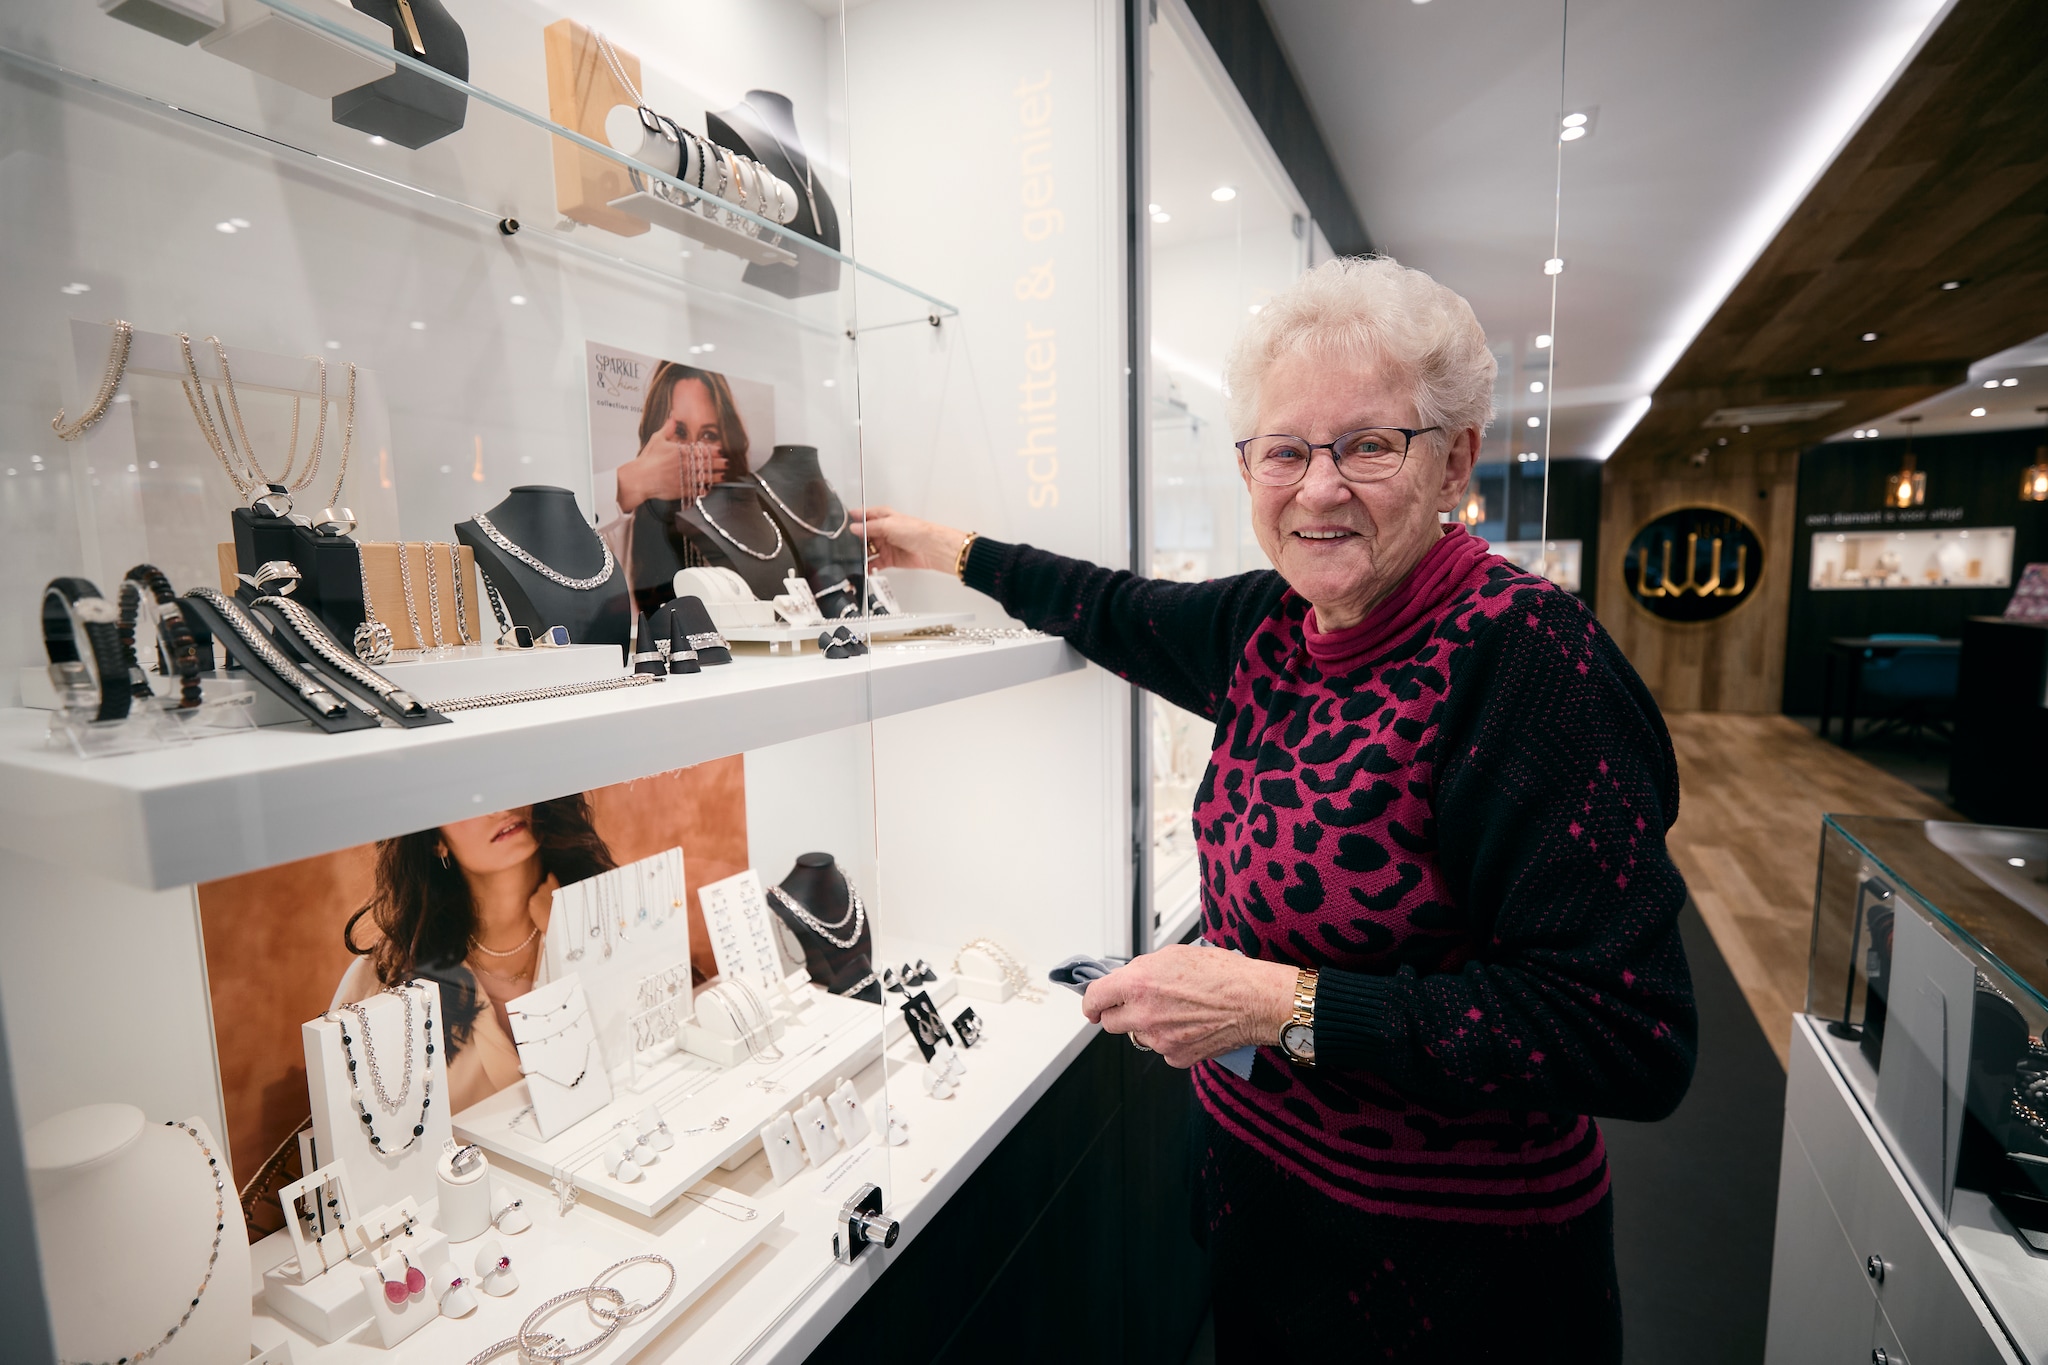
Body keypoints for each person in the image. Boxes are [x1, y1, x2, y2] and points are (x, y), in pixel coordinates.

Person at [853, 255, 1696, 1363]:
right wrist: (942, 548)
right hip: (1263, 1202)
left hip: (1456, 1274)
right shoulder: (1270, 622)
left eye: (1366, 445)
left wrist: (1280, 1005)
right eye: (1285, 451)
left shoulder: (1525, 660)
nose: (1316, 489)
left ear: (1452, 463)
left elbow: (1627, 1035)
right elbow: (1106, 605)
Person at [336, 797, 617, 1113]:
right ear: (436, 840)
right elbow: (347, 1131)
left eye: (505, 777)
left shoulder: (609, 918)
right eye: (469, 797)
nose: (501, 807)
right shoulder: (386, 979)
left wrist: (569, 940)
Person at [614, 360, 755, 613]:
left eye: (708, 435)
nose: (692, 452)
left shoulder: (753, 528)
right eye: (679, 432)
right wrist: (635, 482)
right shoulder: (619, 534)